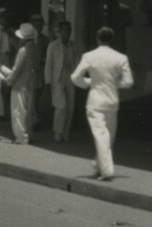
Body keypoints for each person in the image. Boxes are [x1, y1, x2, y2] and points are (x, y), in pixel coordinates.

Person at [70, 25, 135, 180]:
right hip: (112, 101)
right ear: (111, 39)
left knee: (101, 135)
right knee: (108, 136)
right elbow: (128, 82)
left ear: (97, 39)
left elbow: (75, 77)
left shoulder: (89, 56)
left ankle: (106, 171)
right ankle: (100, 165)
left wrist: (89, 82)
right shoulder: (121, 58)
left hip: (95, 101)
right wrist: (113, 83)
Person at [7, 23, 41, 145]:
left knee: (19, 111)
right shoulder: (36, 48)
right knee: (29, 111)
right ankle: (29, 134)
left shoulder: (23, 50)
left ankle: (21, 137)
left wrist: (9, 80)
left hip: (20, 84)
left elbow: (17, 69)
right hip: (32, 84)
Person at [44, 19, 76, 143]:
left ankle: (66, 132)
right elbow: (49, 64)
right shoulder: (53, 45)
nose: (67, 32)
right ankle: (58, 131)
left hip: (70, 77)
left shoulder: (73, 45)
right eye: (64, 30)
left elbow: (76, 62)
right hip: (57, 78)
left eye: (69, 30)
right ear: (60, 31)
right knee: (61, 106)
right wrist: (48, 81)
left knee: (71, 107)